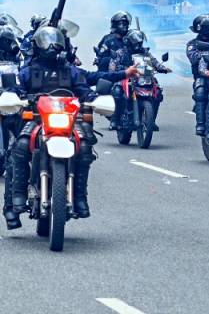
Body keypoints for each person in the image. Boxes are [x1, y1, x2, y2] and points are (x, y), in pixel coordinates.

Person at [3, 26, 139, 229]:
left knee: (84, 148)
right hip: (38, 119)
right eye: (46, 42)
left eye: (55, 41)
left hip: (68, 120)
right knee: (21, 146)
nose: (51, 46)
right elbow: (16, 88)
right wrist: (14, 96)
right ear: (37, 45)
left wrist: (93, 99)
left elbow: (84, 89)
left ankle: (80, 197)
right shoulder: (29, 71)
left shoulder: (70, 70)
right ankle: (18, 198)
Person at [109, 29, 172, 131]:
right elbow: (112, 65)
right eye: (135, 42)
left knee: (158, 92)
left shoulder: (145, 52)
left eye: (139, 42)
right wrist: (117, 70)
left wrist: (162, 68)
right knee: (117, 90)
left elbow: (154, 62)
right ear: (129, 42)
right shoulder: (121, 52)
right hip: (126, 77)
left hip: (142, 77)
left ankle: (151, 121)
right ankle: (115, 119)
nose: (137, 45)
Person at [186, 14, 209, 136]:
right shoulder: (192, 44)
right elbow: (193, 58)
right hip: (203, 76)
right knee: (200, 89)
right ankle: (200, 124)